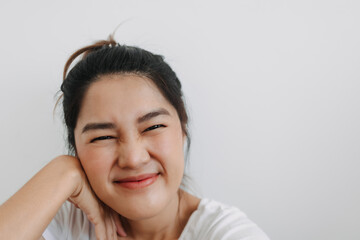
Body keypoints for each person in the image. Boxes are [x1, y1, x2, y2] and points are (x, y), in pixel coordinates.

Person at [0, 35, 270, 240]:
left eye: (152, 127)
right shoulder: (65, 223)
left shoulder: (226, 231)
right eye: (103, 136)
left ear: (182, 127)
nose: (133, 158)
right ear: (77, 149)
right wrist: (63, 171)